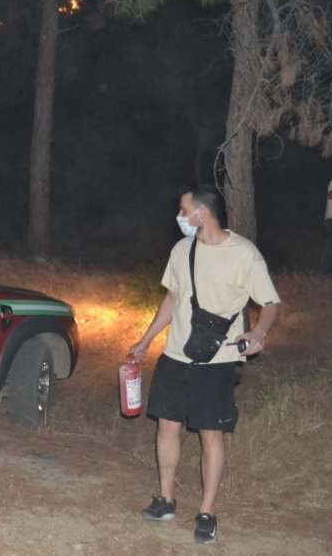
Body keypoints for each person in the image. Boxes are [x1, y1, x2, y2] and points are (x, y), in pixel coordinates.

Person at [129, 185, 280, 545]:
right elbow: (172, 298)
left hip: (219, 360)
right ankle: (166, 500)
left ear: (202, 213)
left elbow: (271, 303)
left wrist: (258, 331)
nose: (179, 216)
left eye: (184, 209)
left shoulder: (244, 253)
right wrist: (146, 340)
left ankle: (207, 512)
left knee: (210, 435)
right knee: (166, 427)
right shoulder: (183, 249)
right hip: (175, 356)